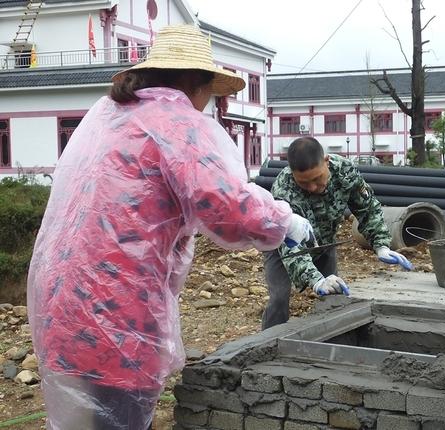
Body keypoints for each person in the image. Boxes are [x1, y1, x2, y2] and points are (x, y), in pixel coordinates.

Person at [27, 24, 314, 430]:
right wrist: (285, 220)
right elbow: (225, 205)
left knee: (84, 420)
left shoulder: (110, 115)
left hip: (62, 299)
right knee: (117, 419)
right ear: (194, 84)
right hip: (117, 308)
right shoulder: (177, 124)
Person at [262, 137, 414, 329]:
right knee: (279, 298)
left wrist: (381, 244)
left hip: (324, 242)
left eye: (317, 179)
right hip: (284, 247)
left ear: (326, 161)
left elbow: (367, 209)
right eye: (304, 183)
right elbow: (292, 249)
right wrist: (316, 281)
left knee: (334, 294)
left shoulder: (345, 171)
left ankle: (330, 338)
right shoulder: (284, 189)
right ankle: (269, 341)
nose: (312, 187)